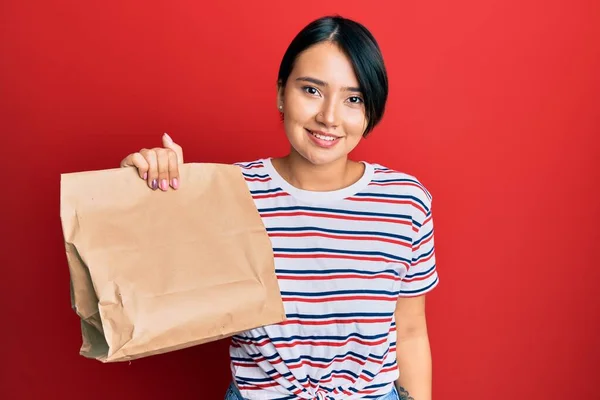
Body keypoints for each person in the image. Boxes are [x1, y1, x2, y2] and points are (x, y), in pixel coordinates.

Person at [120, 15, 438, 400]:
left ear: (371, 111)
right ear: (280, 93)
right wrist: (144, 189)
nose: (330, 117)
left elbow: (410, 330)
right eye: (311, 90)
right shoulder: (230, 190)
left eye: (353, 99)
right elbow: (156, 287)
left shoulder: (405, 202)